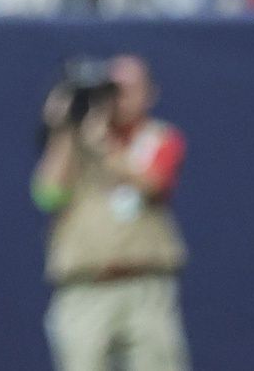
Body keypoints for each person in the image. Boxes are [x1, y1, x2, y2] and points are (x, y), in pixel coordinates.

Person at [32, 55, 190, 371]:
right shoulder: (74, 142)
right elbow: (48, 196)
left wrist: (101, 143)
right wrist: (64, 129)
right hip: (85, 286)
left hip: (145, 284)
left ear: (150, 93)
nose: (121, 97)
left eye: (131, 88)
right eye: (113, 89)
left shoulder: (159, 136)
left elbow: (152, 184)